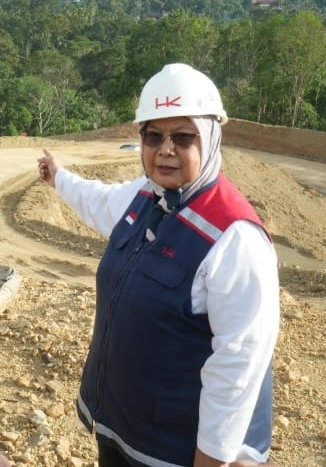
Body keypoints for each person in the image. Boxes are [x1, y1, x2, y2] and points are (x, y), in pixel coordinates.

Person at [36, 63, 279, 467]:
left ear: (212, 138)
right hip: (125, 430)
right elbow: (97, 200)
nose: (165, 149)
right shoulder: (145, 197)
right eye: (153, 135)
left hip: (178, 452)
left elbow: (239, 363)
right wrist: (58, 177)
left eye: (183, 137)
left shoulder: (234, 238)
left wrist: (212, 459)